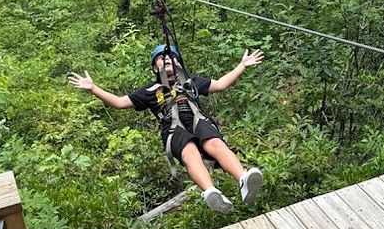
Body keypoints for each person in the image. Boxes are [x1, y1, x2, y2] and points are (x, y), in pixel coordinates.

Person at [69, 45, 265, 213]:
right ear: (155, 66)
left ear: (179, 63)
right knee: (189, 153)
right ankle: (210, 191)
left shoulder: (192, 82)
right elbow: (119, 102)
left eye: (171, 57)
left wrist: (241, 66)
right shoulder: (150, 91)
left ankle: (243, 179)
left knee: (215, 143)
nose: (167, 60)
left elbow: (221, 84)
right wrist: (93, 89)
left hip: (198, 119)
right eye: (161, 59)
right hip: (173, 128)